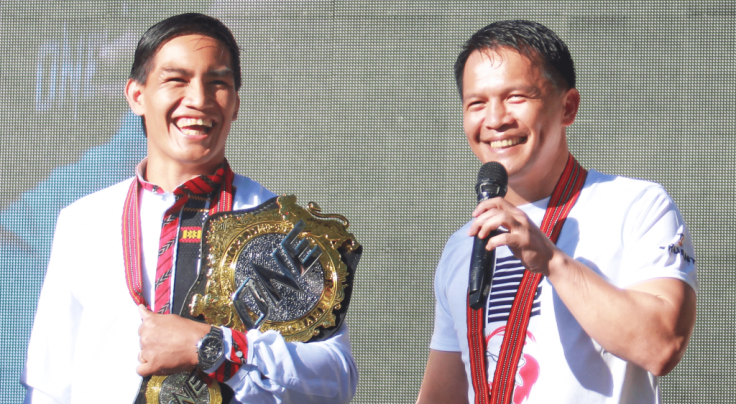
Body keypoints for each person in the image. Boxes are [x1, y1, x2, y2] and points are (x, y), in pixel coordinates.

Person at [22, 13, 357, 404]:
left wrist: (215, 347)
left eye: (218, 83)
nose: (198, 99)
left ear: (235, 103)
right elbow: (51, 384)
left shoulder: (280, 228)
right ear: (136, 96)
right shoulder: (84, 221)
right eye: (176, 80)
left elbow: (336, 380)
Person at [416, 20, 697, 404]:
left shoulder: (637, 205)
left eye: (516, 97)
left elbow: (662, 345)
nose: (495, 119)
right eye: (476, 103)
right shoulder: (461, 246)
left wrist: (551, 260)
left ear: (568, 106)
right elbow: (442, 395)